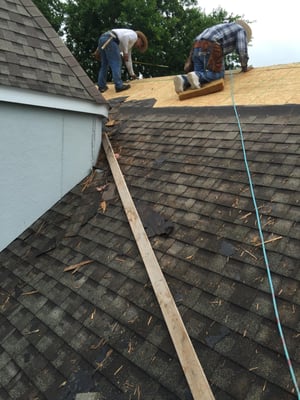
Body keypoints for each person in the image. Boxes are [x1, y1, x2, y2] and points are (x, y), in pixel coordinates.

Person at [173, 20, 252, 93]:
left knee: (196, 78)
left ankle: (183, 79)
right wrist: (244, 66)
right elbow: (242, 50)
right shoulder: (241, 30)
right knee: (218, 75)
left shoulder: (224, 27)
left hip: (196, 46)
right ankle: (195, 76)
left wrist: (190, 59)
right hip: (211, 45)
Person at [97, 29, 148, 93]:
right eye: (141, 44)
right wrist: (125, 53)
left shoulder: (128, 45)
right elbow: (125, 37)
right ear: (140, 38)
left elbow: (128, 60)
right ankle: (119, 86)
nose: (139, 46)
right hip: (111, 40)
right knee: (117, 63)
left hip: (103, 38)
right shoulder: (134, 35)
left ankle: (101, 86)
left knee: (104, 64)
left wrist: (132, 74)